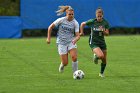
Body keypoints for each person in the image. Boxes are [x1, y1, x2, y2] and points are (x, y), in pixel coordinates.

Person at [46, 5, 80, 74]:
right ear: (66, 14)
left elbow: (78, 35)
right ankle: (62, 64)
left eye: (72, 14)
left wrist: (75, 39)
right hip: (61, 43)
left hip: (71, 42)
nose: (71, 15)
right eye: (69, 14)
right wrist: (48, 38)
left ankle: (75, 73)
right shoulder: (61, 20)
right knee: (65, 63)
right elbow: (50, 27)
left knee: (74, 57)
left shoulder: (75, 23)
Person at [80, 7, 110, 77]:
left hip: (102, 42)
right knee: (101, 55)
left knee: (104, 60)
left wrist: (103, 30)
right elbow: (82, 24)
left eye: (100, 16)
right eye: (98, 16)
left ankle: (101, 73)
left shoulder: (105, 22)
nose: (99, 18)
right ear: (96, 16)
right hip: (93, 42)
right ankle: (96, 56)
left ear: (102, 15)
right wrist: (81, 32)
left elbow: (107, 34)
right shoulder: (92, 21)